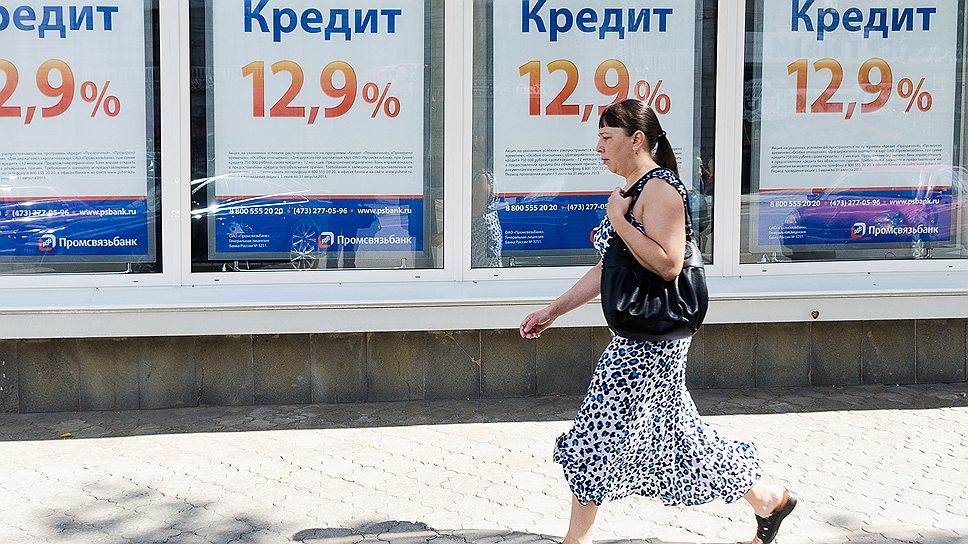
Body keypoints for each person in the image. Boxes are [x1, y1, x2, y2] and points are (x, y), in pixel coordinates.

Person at [518, 99, 797, 544]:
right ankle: (770, 499)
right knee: (679, 438)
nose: (598, 147)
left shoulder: (661, 190)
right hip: (640, 334)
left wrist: (619, 221)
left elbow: (669, 263)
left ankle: (575, 541)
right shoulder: (631, 191)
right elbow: (608, 267)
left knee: (595, 433)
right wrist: (553, 311)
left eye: (606, 138)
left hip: (650, 342)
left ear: (637, 140)